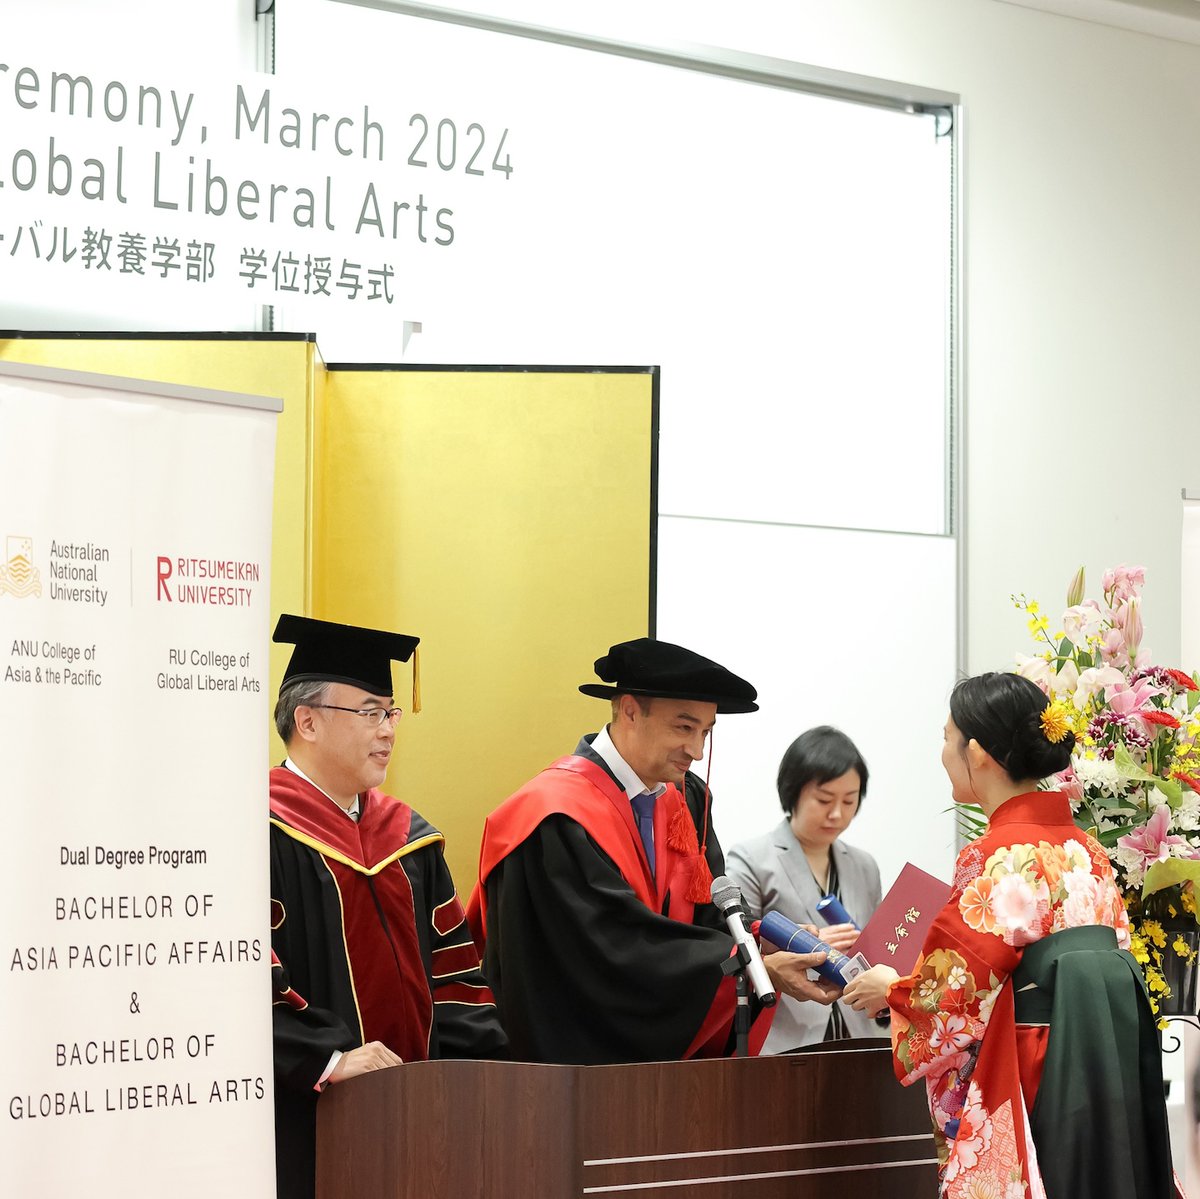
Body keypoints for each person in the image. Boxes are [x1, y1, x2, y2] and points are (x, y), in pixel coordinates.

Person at [842, 671, 1175, 1199]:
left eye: (946, 739)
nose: (943, 753)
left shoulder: (997, 856)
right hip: (1097, 1066)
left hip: (1032, 1074)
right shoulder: (1087, 852)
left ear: (976, 753)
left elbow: (953, 997)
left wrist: (891, 989)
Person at [468, 636, 838, 1065]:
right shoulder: (553, 818)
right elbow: (608, 951)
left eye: (705, 732)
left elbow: (706, 918)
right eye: (684, 728)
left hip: (662, 1086)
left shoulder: (686, 800)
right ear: (629, 711)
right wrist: (742, 968)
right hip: (569, 1079)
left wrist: (759, 944)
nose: (697, 751)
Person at [269, 615, 506, 1199]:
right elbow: (228, 980)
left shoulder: (411, 842)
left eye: (391, 713)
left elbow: (455, 978)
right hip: (302, 1120)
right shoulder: (255, 830)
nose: (388, 731)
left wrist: (481, 1081)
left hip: (418, 1121)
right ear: (309, 722)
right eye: (370, 711)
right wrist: (325, 1059)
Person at [727, 726, 884, 1051]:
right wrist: (812, 947)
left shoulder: (864, 865)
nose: (837, 813)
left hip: (860, 1036)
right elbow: (735, 952)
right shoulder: (752, 859)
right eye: (824, 799)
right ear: (793, 792)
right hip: (785, 1040)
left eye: (850, 800)